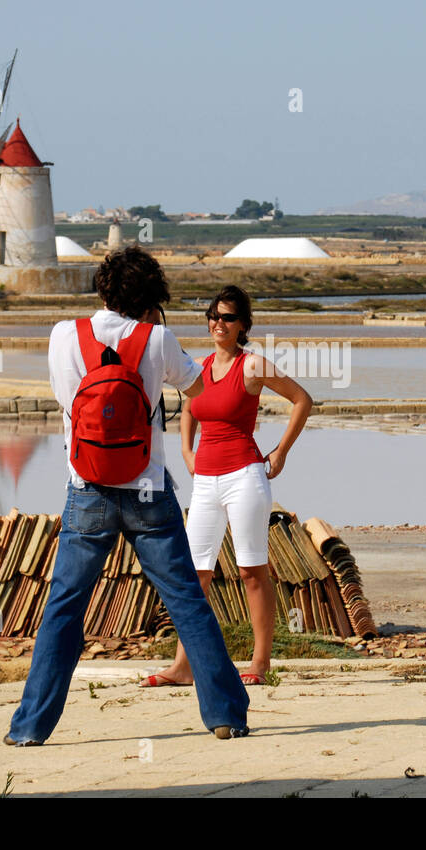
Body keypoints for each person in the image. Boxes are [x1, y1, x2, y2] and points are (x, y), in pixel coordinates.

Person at [5, 247, 250, 745]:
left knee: (65, 608)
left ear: (102, 289)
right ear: (151, 298)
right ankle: (225, 716)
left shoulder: (62, 335)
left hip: (86, 488)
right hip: (147, 490)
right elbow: (201, 389)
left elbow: (65, 400)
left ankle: (30, 728)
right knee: (186, 601)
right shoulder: (157, 338)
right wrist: (156, 342)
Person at [140, 285, 312, 689]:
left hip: (245, 478)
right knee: (194, 575)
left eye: (228, 317)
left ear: (243, 326)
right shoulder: (196, 368)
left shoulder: (253, 366)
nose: (218, 323)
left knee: (251, 571)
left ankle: (260, 661)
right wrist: (186, 450)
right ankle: (183, 666)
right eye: (213, 316)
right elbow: (190, 409)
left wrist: (281, 452)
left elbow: (302, 400)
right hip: (205, 483)